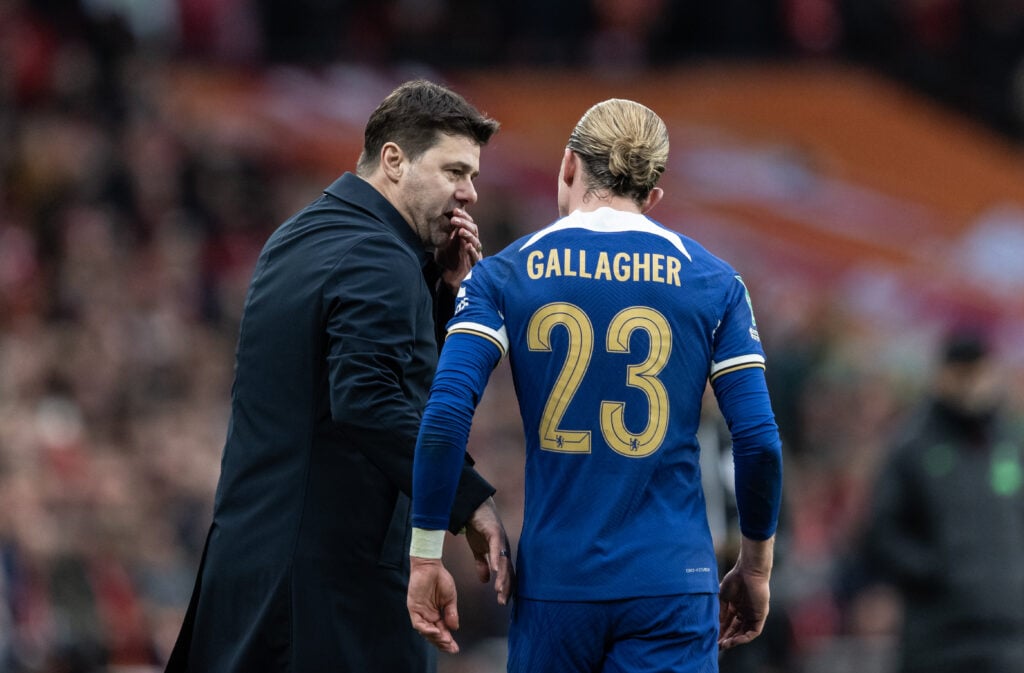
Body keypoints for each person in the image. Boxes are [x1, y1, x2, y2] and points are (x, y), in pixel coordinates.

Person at [407, 98, 784, 672]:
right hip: (671, 583)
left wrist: (426, 555)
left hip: (557, 583)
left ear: (567, 167)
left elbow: (443, 417)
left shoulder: (502, 273)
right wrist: (754, 567)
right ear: (653, 197)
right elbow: (758, 442)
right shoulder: (715, 281)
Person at [165, 79, 514, 673]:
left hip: (259, 570)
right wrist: (468, 502)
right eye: (455, 171)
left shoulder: (301, 236)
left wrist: (443, 294)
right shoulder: (378, 257)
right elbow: (369, 401)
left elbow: (359, 379)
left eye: (474, 176)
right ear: (394, 160)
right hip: (326, 594)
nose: (469, 193)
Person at [858, 329, 1024, 673]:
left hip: (1010, 628)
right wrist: (936, 572)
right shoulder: (912, 446)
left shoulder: (1013, 443)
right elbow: (881, 531)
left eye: (979, 371)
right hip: (938, 632)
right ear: (942, 375)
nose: (972, 383)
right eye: (962, 372)